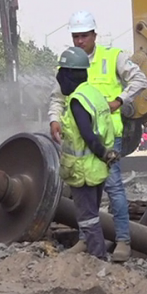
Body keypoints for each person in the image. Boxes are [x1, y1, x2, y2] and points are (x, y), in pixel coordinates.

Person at [48, 10, 147, 263]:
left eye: (84, 35)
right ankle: (87, 239)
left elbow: (140, 79)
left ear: (94, 34)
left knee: (113, 188)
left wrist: (119, 100)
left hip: (104, 137)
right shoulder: (69, 62)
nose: (79, 41)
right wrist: (54, 119)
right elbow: (57, 97)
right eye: (75, 36)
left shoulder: (112, 57)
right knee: (83, 189)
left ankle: (123, 240)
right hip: (78, 141)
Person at [55, 46, 119, 259]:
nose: (60, 78)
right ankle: (98, 258)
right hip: (99, 168)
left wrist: (101, 151)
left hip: (84, 171)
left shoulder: (77, 101)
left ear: (70, 74)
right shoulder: (94, 94)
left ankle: (98, 261)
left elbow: (88, 135)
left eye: (62, 72)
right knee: (93, 216)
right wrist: (107, 154)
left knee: (88, 219)